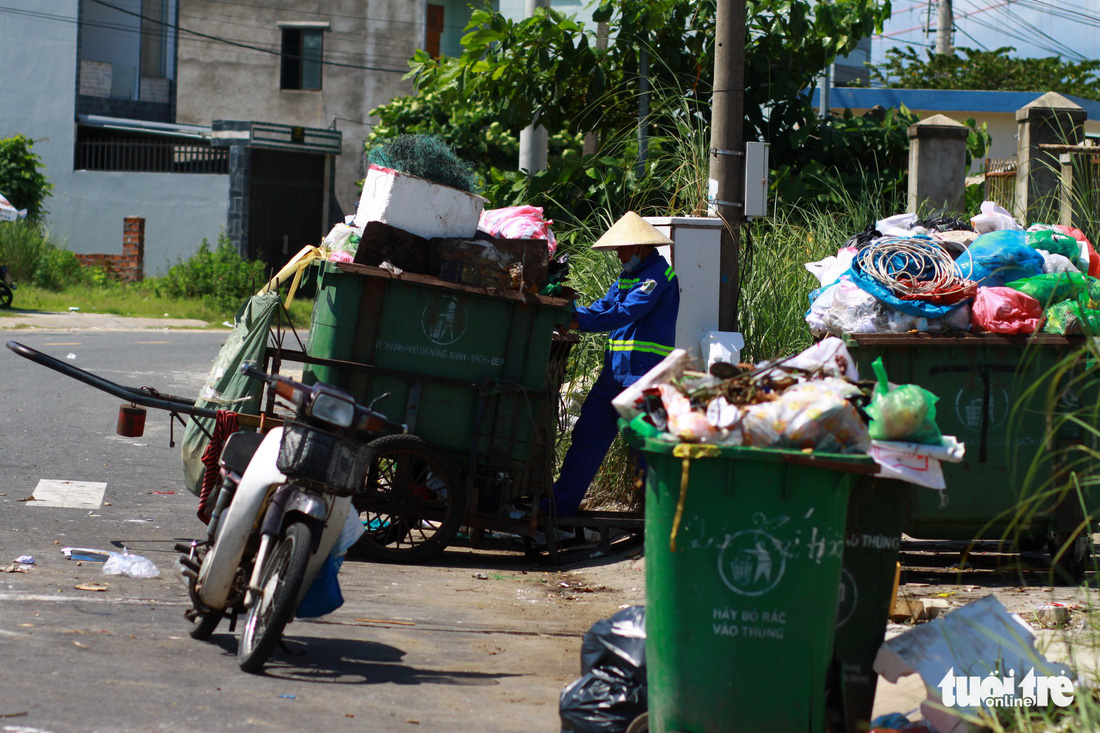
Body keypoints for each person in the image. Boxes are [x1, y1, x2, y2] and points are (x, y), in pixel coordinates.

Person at [548, 211, 679, 517]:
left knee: (645, 449)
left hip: (642, 378)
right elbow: (605, 307)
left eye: (622, 249)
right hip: (614, 375)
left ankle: (660, 519)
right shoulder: (628, 276)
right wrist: (572, 313)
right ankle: (559, 505)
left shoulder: (658, 276)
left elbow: (623, 313)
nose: (619, 256)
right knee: (587, 436)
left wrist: (575, 320)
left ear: (640, 247)